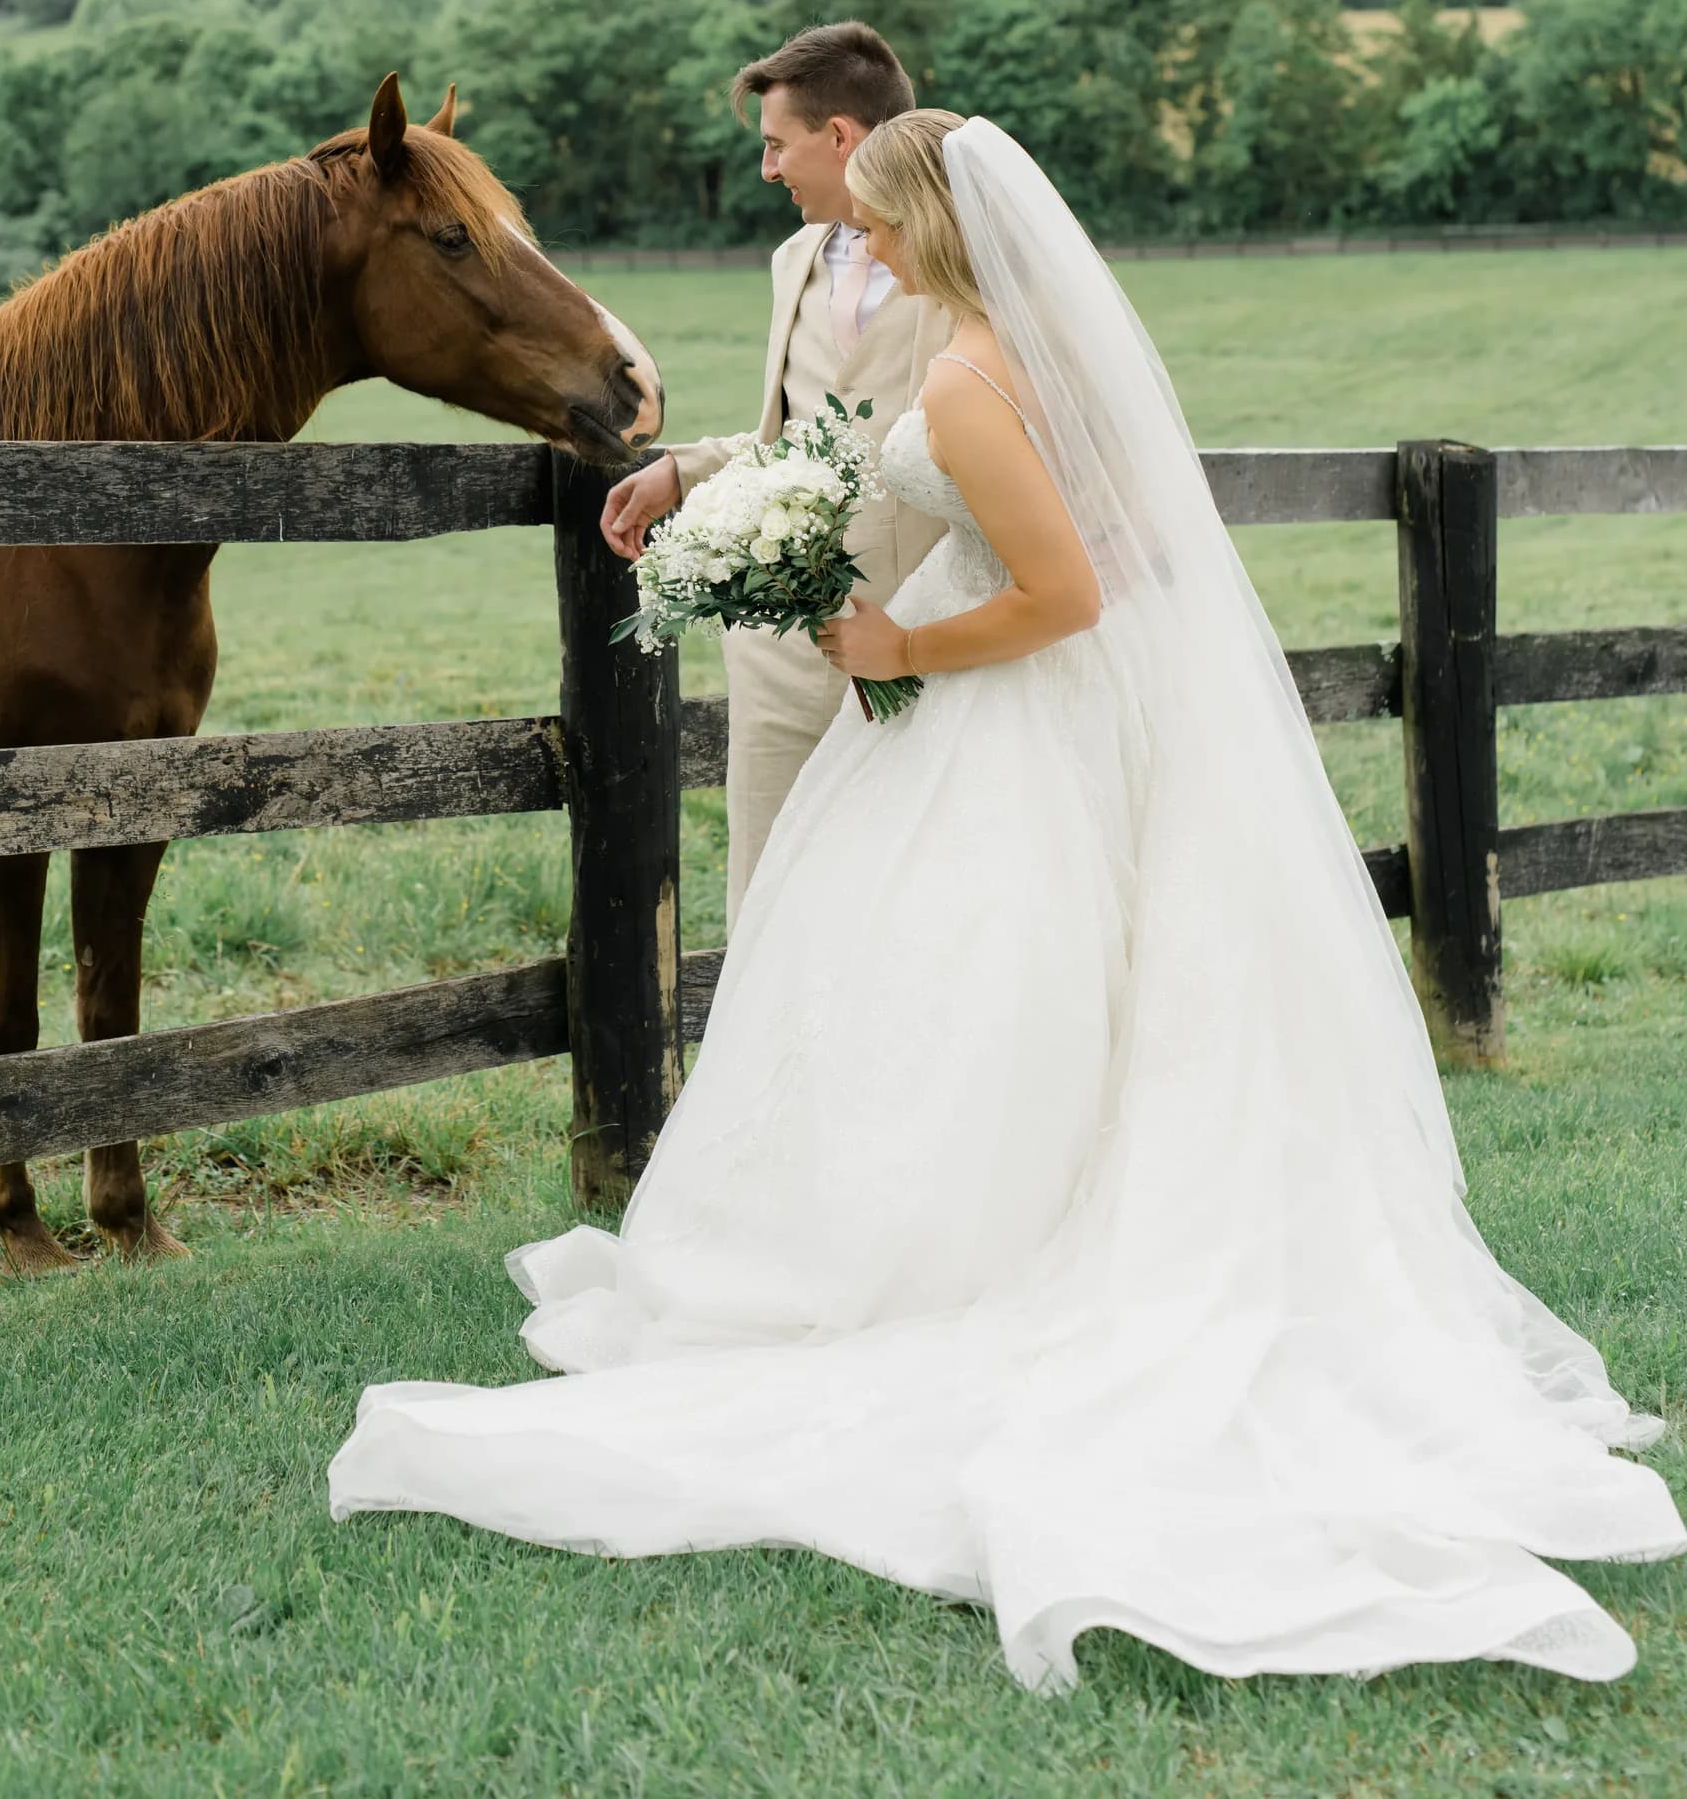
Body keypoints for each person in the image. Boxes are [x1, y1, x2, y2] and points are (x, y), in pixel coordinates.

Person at [328, 112, 1684, 1690]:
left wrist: (900, 647)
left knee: (967, 983)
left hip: (1002, 699)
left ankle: (956, 1270)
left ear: (943, 227)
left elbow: (1068, 593)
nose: (872, 245)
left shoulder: (970, 382)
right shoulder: (1018, 353)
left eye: (889, 224)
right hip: (1053, 708)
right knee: (1003, 988)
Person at [600, 22, 953, 926]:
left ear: (837, 136)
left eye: (775, 144)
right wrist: (684, 469)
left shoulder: (963, 261)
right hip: (781, 648)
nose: (766, 170)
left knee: (917, 894)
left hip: (924, 630)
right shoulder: (791, 259)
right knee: (774, 897)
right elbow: (796, 430)